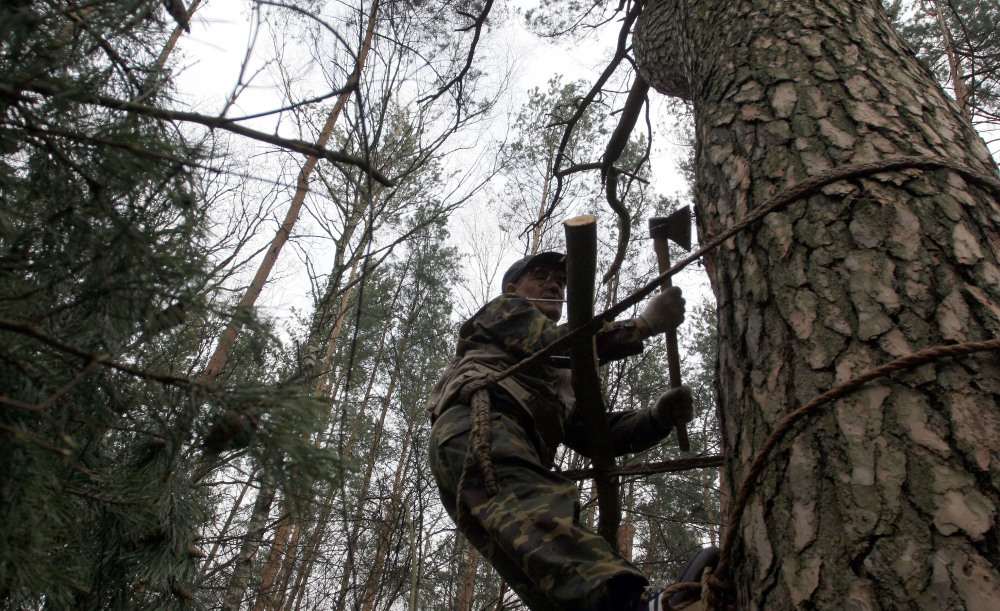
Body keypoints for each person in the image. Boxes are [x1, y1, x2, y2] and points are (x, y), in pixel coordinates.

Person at [427, 251, 717, 611]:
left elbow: (595, 434)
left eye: (560, 282)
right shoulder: (505, 311)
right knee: (546, 520)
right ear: (514, 287)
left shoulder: (557, 376)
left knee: (543, 573)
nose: (554, 285)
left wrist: (656, 417)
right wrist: (641, 326)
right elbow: (559, 344)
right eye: (541, 276)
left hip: (485, 446)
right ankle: (637, 603)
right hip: (481, 425)